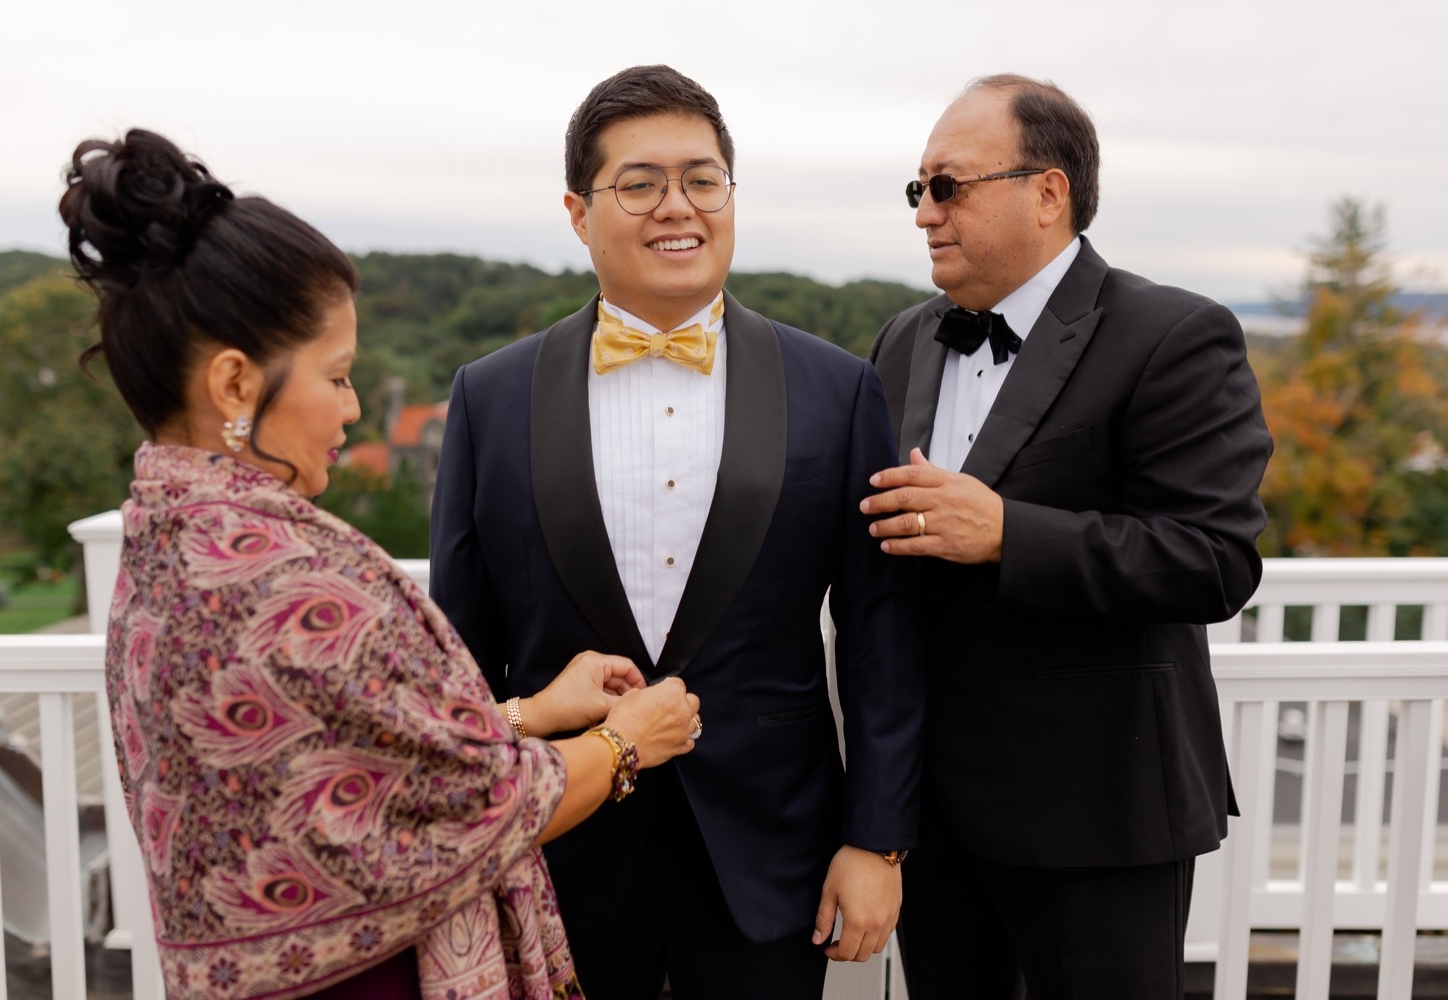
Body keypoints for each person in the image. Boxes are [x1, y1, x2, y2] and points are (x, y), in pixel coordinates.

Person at [61, 128, 701, 1000]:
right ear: (236, 385)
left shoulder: (167, 541)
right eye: (337, 376)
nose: (354, 409)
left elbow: (345, 759)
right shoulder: (290, 575)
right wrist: (627, 743)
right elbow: (474, 807)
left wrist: (532, 709)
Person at [429, 65, 923, 999]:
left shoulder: (838, 387)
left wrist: (878, 838)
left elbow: (879, 631)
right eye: (640, 183)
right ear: (579, 213)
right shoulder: (487, 398)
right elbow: (460, 645)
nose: (677, 207)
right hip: (556, 848)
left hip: (771, 846)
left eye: (702, 179)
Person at [863, 74, 1273, 998]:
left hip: (1102, 819)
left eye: (948, 185)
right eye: (917, 189)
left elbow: (1213, 559)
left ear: (1048, 193)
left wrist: (1010, 533)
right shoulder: (903, 339)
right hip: (933, 821)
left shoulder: (1174, 334)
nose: (925, 211)